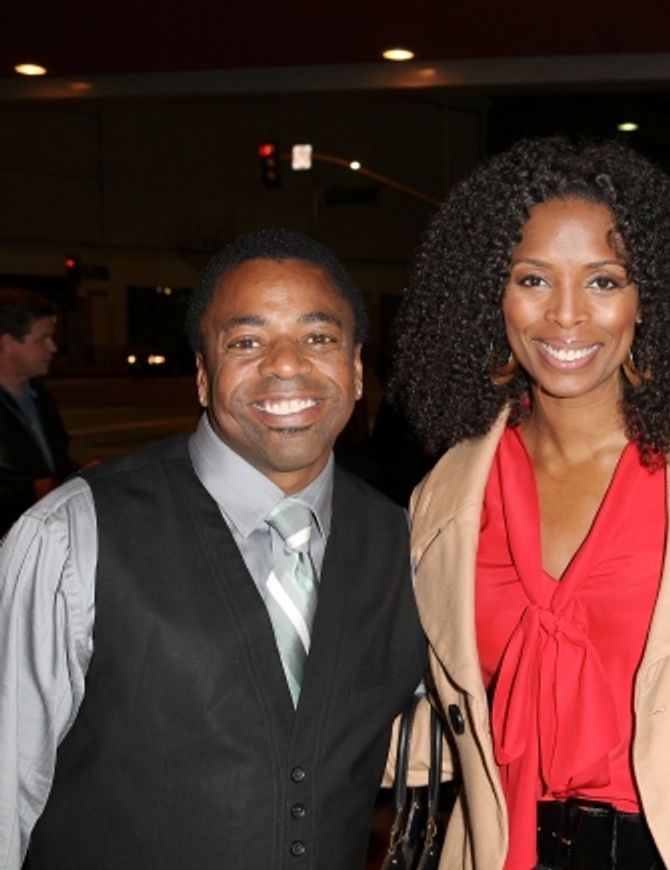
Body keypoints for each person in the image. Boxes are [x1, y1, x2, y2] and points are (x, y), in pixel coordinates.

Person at [391, 137, 670, 870]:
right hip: (505, 849)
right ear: (492, 293)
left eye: (605, 282)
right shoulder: (447, 491)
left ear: (650, 298)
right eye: (533, 279)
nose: (566, 317)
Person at [0, 228, 426, 869]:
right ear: (203, 376)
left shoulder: (401, 542)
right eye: (247, 341)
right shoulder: (71, 536)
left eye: (319, 338)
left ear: (357, 369)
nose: (286, 364)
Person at [0, 288, 71, 533]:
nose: (53, 347)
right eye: (42, 339)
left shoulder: (40, 397)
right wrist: (32, 491)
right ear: (8, 343)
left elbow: (52, 466)